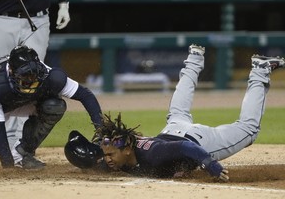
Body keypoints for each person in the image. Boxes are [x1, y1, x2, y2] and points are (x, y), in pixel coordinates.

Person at [65, 44, 285, 181]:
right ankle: (194, 59)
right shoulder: (122, 150)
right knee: (177, 111)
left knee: (249, 129)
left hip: (199, 141)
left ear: (128, 149)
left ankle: (260, 70)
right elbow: (97, 156)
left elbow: (186, 147)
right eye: (107, 154)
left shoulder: (154, 154)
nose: (108, 159)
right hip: (173, 129)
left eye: (110, 155)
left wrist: (209, 164)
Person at [0, 45, 102, 170]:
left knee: (54, 106)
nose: (31, 81)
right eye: (26, 77)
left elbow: (86, 96)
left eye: (34, 76)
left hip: (21, 102)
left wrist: (102, 132)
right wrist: (8, 166)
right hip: (2, 103)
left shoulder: (49, 76)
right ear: (11, 72)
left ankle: (22, 154)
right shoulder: (0, 84)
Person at [0, 0, 71, 152]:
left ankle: (19, 149)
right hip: (2, 19)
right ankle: (3, 141)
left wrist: (63, 2)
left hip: (38, 20)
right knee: (1, 80)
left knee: (31, 82)